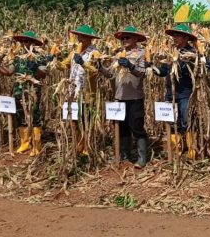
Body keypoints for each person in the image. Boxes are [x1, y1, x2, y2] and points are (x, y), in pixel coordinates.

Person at [101, 25, 149, 166]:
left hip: (135, 97)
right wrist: (99, 67)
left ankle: (141, 158)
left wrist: (130, 66)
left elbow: (143, 73)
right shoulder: (118, 55)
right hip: (119, 97)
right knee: (122, 128)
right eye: (122, 38)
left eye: (127, 37)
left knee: (137, 127)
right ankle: (124, 155)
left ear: (136, 39)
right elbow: (110, 73)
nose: (124, 40)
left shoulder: (141, 53)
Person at [0, 31, 48, 157]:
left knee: (34, 115)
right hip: (19, 90)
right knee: (20, 115)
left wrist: (35, 67)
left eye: (26, 41)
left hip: (32, 91)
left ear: (32, 43)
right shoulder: (17, 57)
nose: (23, 44)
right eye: (22, 41)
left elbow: (43, 75)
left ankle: (36, 145)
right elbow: (9, 72)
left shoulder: (40, 57)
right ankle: (24, 143)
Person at [153, 24, 197, 159]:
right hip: (170, 93)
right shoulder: (172, 52)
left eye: (177, 35)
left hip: (185, 94)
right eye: (174, 36)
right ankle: (176, 150)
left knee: (186, 121)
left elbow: (187, 71)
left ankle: (191, 150)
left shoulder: (191, 53)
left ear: (186, 37)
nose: (174, 38)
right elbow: (164, 71)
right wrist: (153, 68)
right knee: (172, 122)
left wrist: (179, 62)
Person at [66, 25, 101, 156]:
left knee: (86, 121)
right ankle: (78, 146)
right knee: (74, 121)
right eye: (79, 36)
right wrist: (53, 62)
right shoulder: (74, 53)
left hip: (87, 94)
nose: (80, 39)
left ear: (90, 39)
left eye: (84, 37)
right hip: (72, 92)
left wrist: (82, 63)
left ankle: (88, 146)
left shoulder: (95, 53)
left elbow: (95, 71)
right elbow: (64, 64)